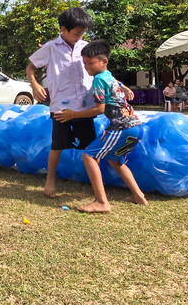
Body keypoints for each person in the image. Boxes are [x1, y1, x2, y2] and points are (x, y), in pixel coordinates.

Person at [54, 40, 146, 213]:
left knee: (88, 155)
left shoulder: (98, 80)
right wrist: (125, 87)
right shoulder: (108, 76)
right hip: (136, 127)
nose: (87, 67)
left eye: (90, 63)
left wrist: (72, 114)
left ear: (104, 61)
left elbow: (99, 109)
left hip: (121, 128)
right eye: (84, 64)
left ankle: (101, 202)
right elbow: (115, 84)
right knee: (115, 161)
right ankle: (138, 196)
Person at [26, 7, 96, 198]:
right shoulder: (51, 48)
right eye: (76, 33)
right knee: (57, 146)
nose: (79, 37)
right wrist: (34, 85)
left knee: (90, 148)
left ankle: (96, 183)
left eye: (82, 33)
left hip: (84, 107)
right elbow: (30, 67)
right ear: (63, 29)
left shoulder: (86, 47)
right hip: (61, 107)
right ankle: (50, 178)